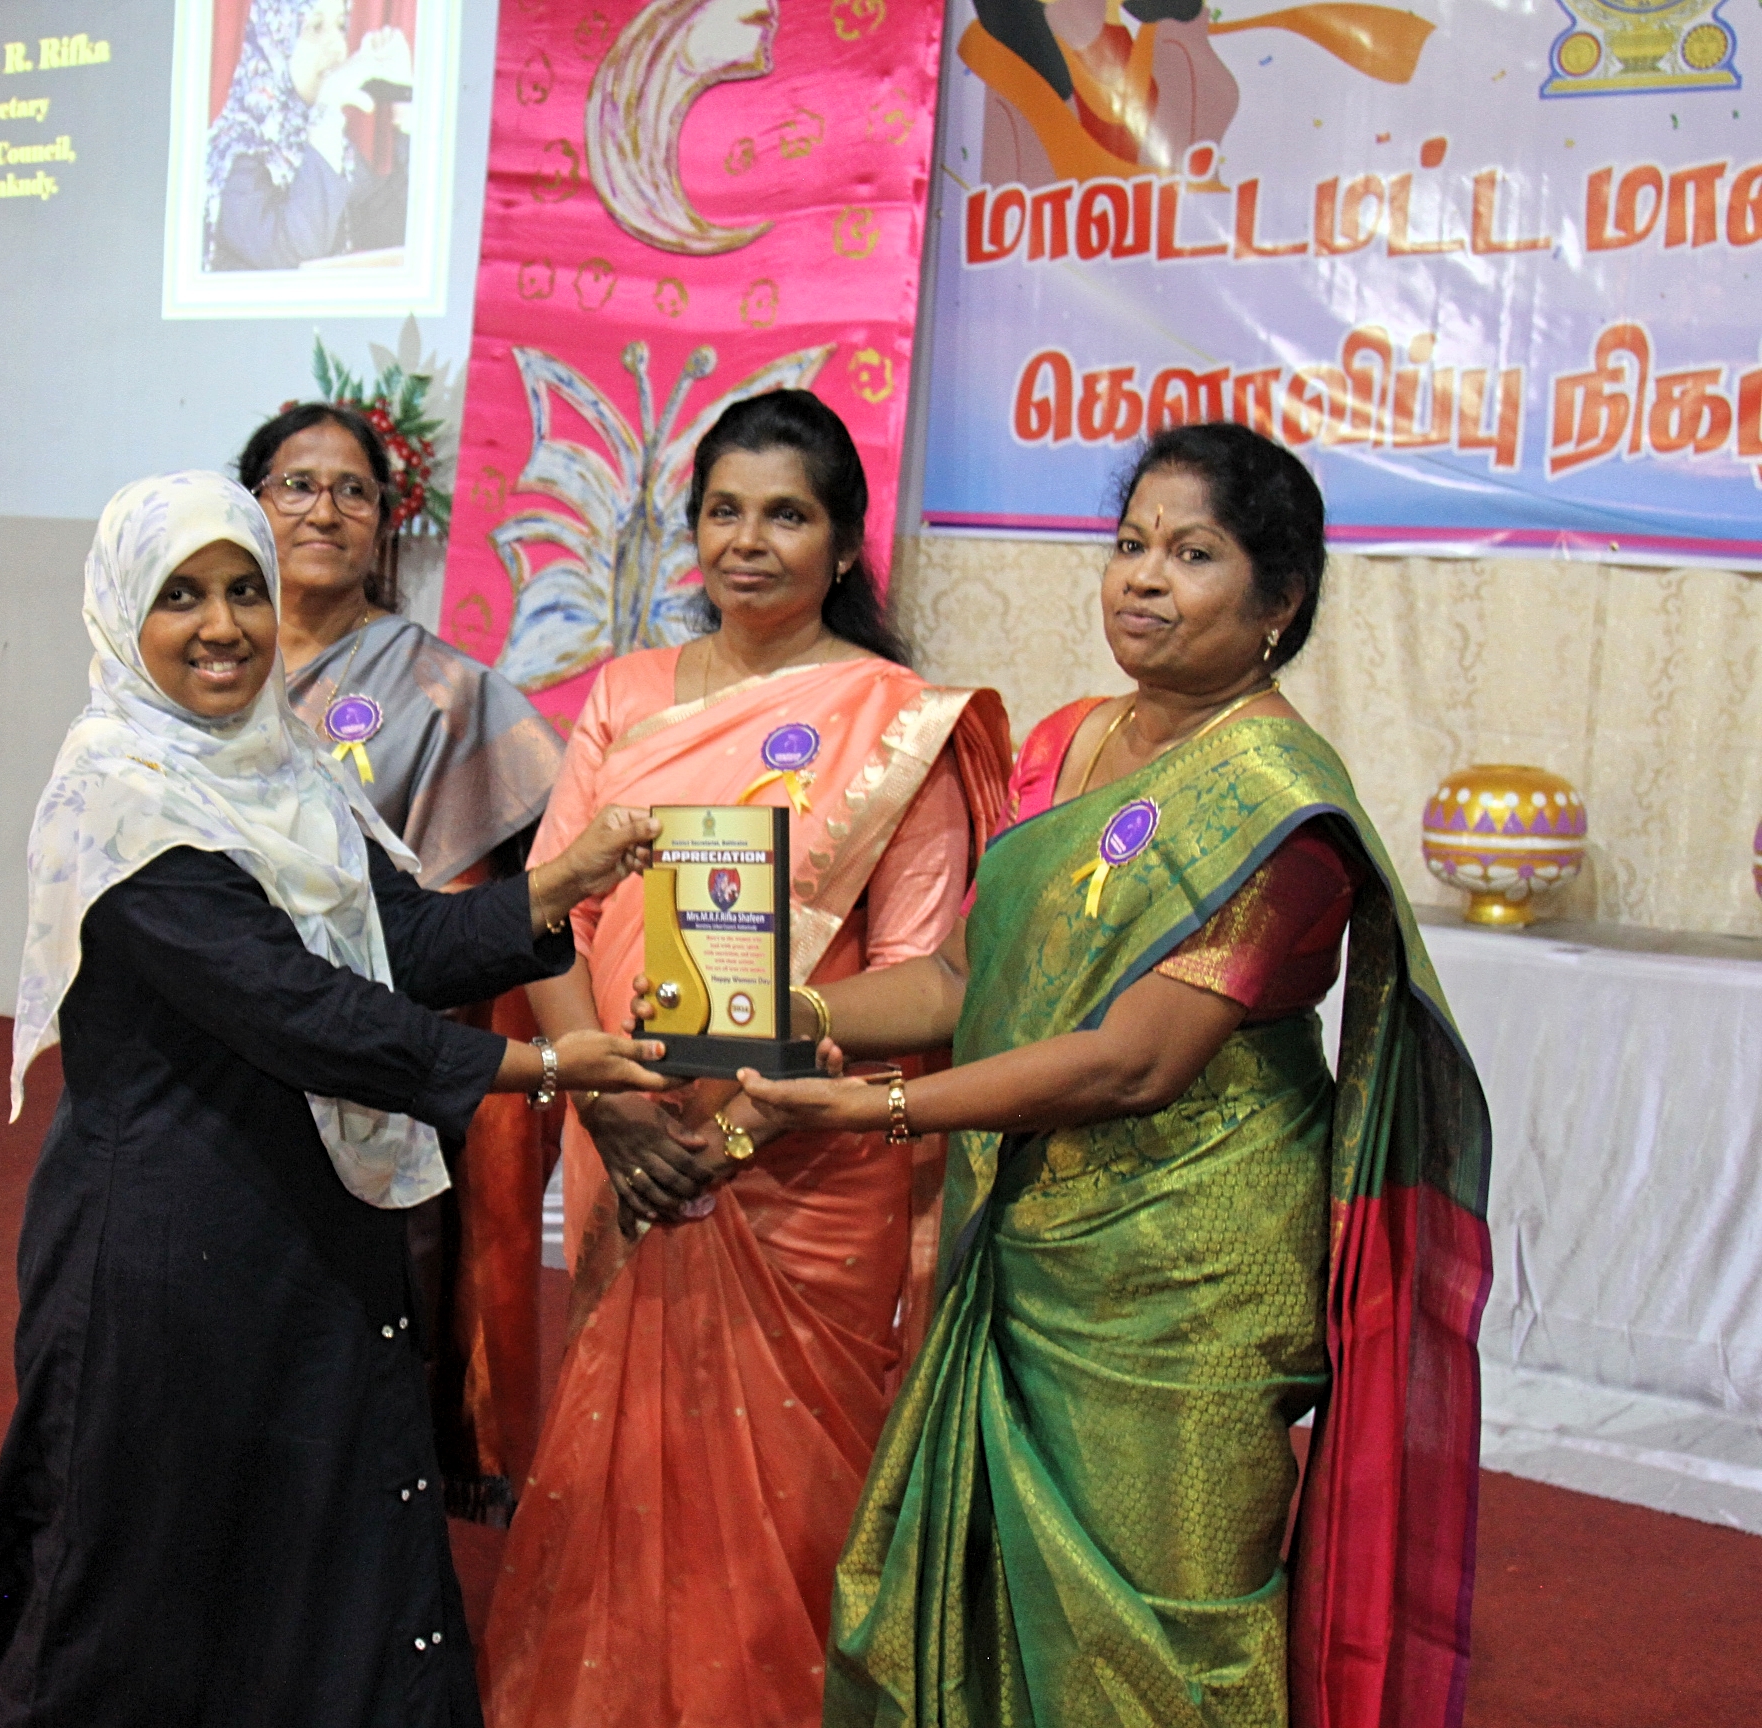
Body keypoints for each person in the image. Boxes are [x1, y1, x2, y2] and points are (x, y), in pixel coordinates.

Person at [721, 424, 1492, 1727]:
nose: (1142, 576)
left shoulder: (1278, 803)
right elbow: (959, 982)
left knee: (1161, 1637)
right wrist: (782, 1016)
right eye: (1131, 543)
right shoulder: (1066, 743)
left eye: (1193, 554)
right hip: (1030, 1236)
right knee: (989, 1605)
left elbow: (1137, 1062)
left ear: (1280, 599)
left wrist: (880, 1107)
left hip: (1188, 1279)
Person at [0, 471, 675, 1728]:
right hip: (167, 1254)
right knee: (138, 1589)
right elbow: (300, 1010)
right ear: (122, 614)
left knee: (311, 1559)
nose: (223, 627)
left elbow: (397, 944)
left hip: (308, 1231)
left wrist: (561, 882)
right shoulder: (122, 794)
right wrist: (540, 1070)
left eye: (244, 591)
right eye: (181, 597)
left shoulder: (285, 770)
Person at [478, 390, 1014, 1728]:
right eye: (724, 511)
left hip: (806, 1160)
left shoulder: (895, 721)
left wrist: (771, 1072)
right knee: (623, 1459)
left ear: (846, 543)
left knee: (788, 1482)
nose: (749, 542)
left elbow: (931, 976)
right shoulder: (626, 696)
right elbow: (546, 915)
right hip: (626, 1136)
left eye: (787, 515)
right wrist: (598, 1095)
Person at [243, 400, 569, 1519]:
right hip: (227, 1036)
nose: (324, 510)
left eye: (353, 490)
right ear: (252, 505)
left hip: (372, 1052)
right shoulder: (209, 669)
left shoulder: (445, 693)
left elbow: (504, 883)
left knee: (368, 1326)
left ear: (387, 519)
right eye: (296, 485)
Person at [205, 0, 413, 271]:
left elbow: (396, 227)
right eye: (315, 27)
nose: (338, 46)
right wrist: (327, 112)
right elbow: (298, 256)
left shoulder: (322, 142)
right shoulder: (232, 153)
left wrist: (402, 93)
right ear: (273, 38)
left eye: (341, 26)